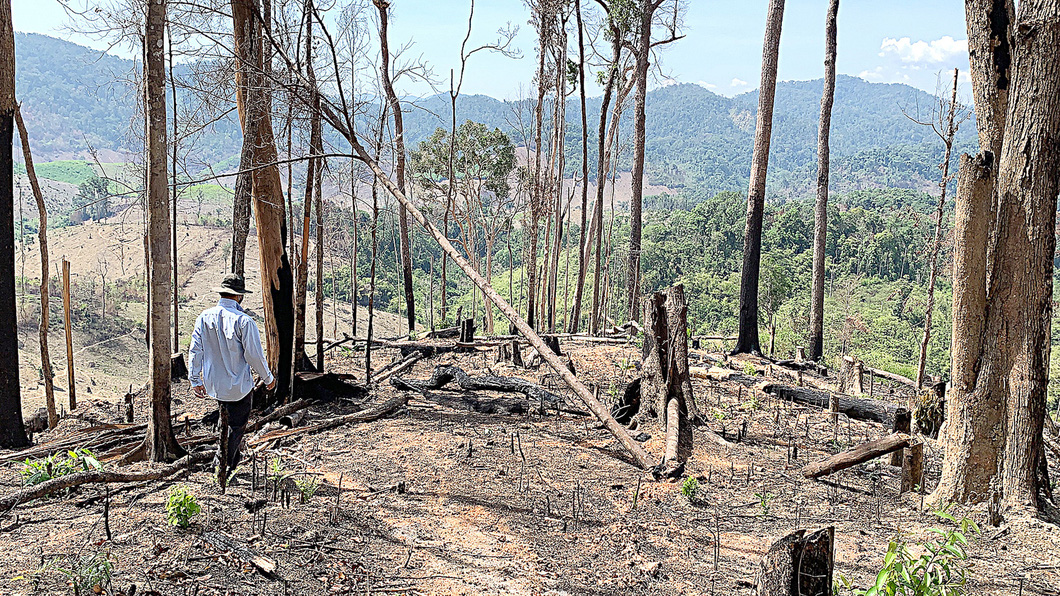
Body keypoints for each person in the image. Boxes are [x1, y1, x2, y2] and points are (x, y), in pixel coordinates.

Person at [189, 274, 276, 482]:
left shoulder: (204, 317)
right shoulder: (244, 322)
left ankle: (229, 465)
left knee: (226, 421)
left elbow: (195, 350)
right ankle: (222, 468)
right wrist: (268, 378)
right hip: (239, 386)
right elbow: (254, 355)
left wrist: (195, 379)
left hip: (214, 384)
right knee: (236, 427)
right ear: (239, 297)